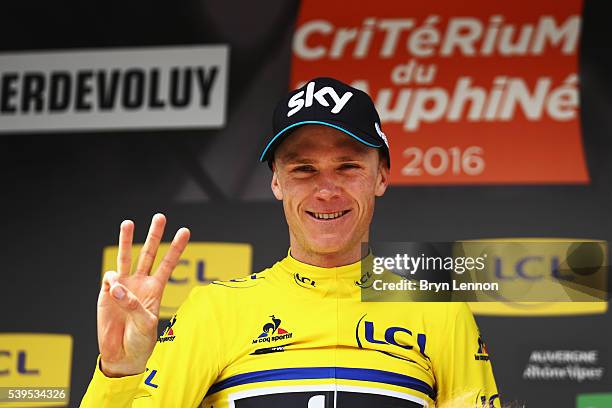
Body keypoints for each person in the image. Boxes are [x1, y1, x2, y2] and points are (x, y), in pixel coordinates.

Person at [80, 77, 500, 407]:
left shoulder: (440, 312)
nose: (326, 190)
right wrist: (119, 372)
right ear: (277, 182)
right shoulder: (215, 311)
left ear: (382, 176)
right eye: (304, 169)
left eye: (348, 165)